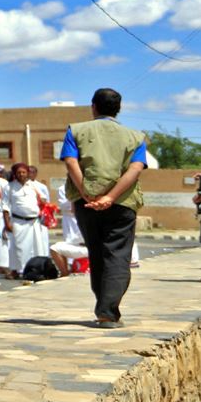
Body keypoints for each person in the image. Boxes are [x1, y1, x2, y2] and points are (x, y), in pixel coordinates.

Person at [61, 88, 148, 328]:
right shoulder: (135, 137)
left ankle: (104, 308)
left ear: (93, 107)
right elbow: (135, 169)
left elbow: (70, 161)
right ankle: (108, 311)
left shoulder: (75, 130)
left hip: (86, 203)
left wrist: (87, 193)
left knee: (97, 253)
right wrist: (110, 197)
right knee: (118, 256)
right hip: (123, 204)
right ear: (118, 109)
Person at [3, 163, 46, 277]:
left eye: (24, 172)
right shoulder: (9, 187)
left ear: (27, 173)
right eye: (19, 172)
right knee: (19, 248)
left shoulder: (33, 186)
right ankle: (18, 270)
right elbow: (5, 207)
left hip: (34, 222)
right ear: (15, 174)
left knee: (37, 247)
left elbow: (43, 200)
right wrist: (7, 223)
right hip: (18, 222)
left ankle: (36, 270)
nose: (21, 174)